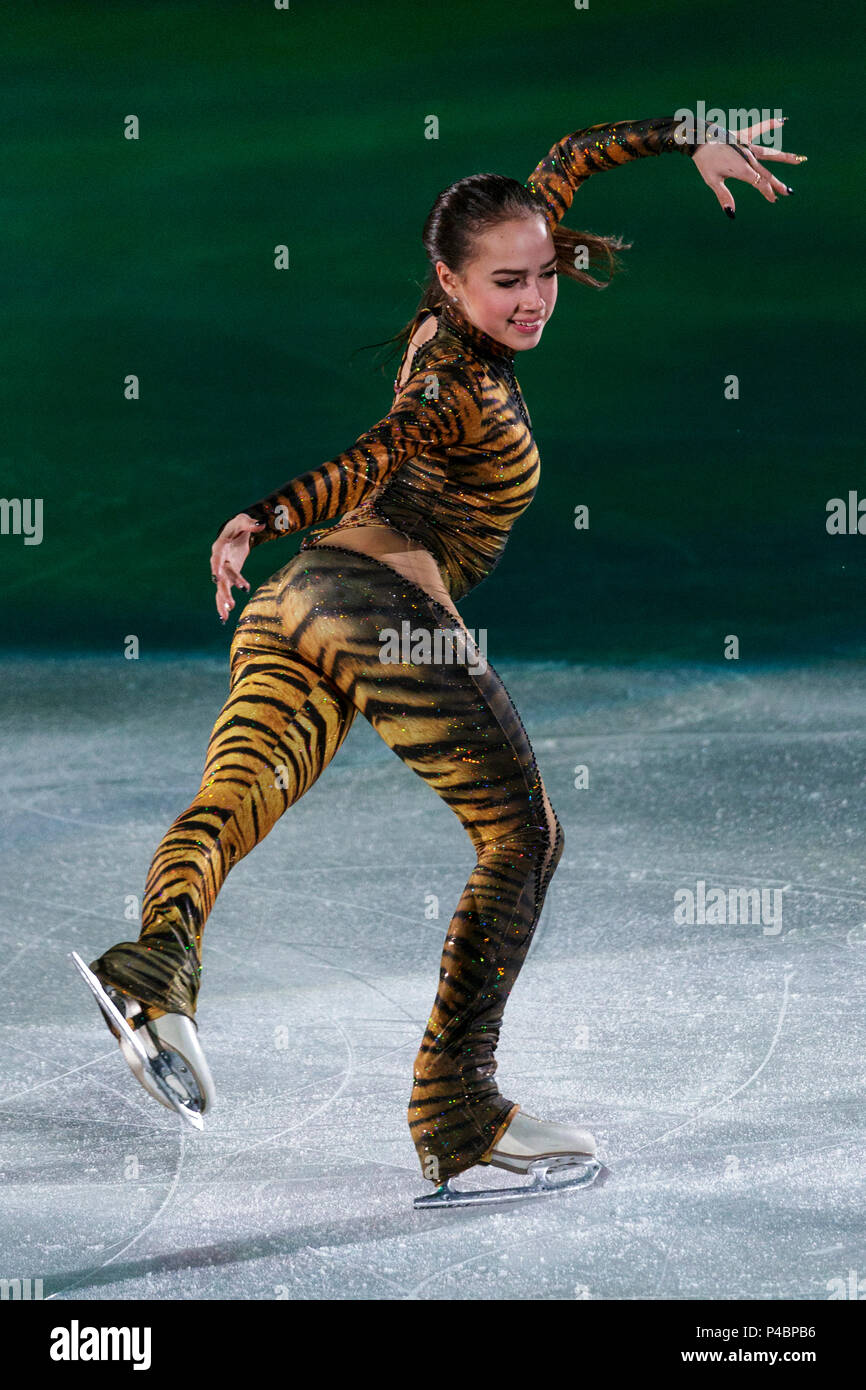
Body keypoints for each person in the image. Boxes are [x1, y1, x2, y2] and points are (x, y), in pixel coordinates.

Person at [74, 112, 805, 1204]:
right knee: (524, 836)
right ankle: (456, 1107)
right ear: (448, 282)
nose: (534, 297)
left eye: (544, 273)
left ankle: (154, 971)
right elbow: (382, 449)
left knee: (235, 795)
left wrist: (687, 133)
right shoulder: (452, 377)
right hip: (370, 601)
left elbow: (565, 155)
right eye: (506, 281)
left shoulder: (467, 297)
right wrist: (257, 511)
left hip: (298, 605)